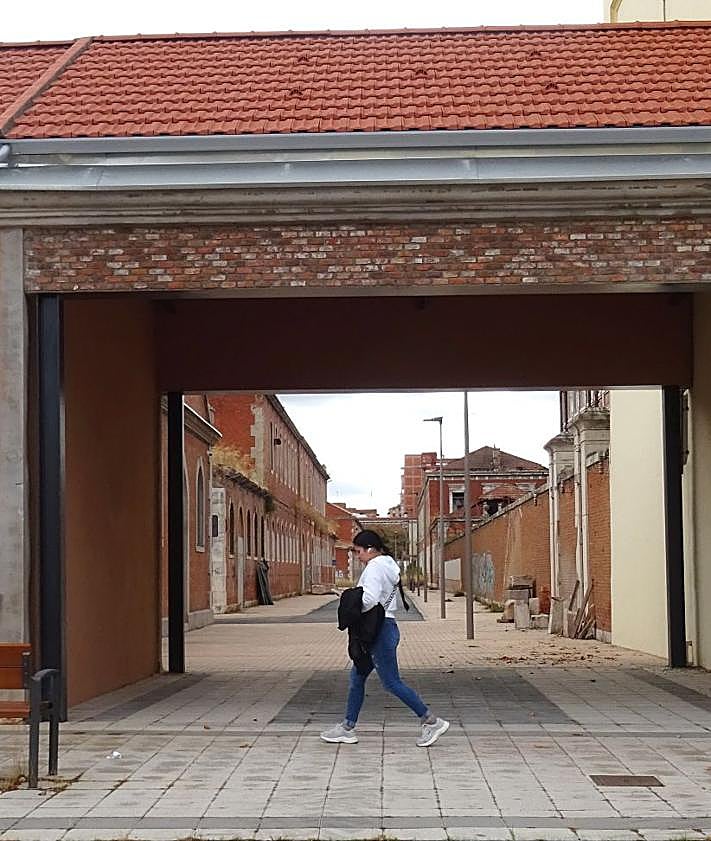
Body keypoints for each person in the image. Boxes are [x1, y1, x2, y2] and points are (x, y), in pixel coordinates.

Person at [320, 529, 450, 748]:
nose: (357, 556)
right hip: (384, 627)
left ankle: (431, 721)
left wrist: (350, 603)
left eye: (359, 551)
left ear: (370, 549)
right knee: (357, 677)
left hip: (377, 631)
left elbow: (369, 599)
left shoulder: (374, 568)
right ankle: (347, 728)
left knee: (391, 682)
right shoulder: (388, 565)